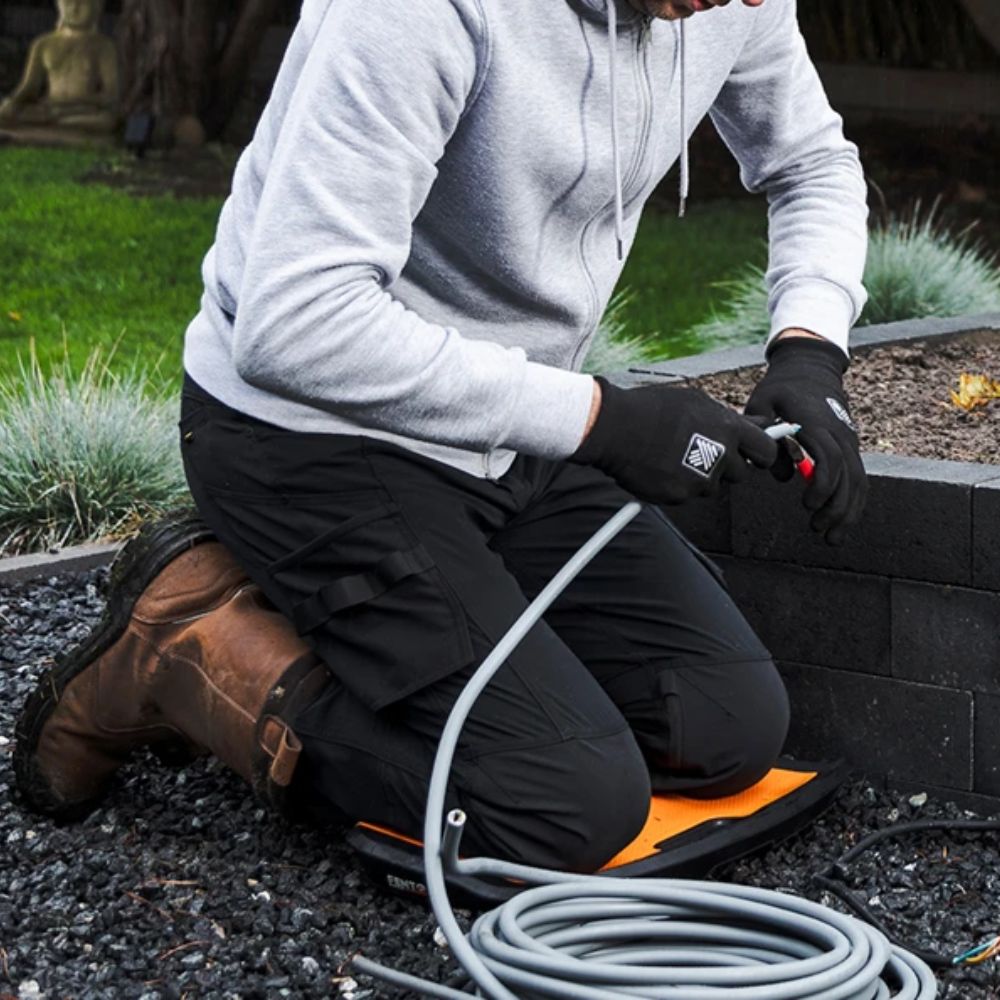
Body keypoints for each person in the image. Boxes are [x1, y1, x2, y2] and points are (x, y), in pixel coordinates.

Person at [15, 0, 868, 873]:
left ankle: (409, 631)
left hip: (505, 429)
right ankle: (188, 651)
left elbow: (812, 164)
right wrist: (602, 421)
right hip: (312, 439)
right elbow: (296, 324)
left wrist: (810, 348)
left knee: (724, 727)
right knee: (566, 808)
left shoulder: (733, 2)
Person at [0, 0, 118, 134]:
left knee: (106, 121)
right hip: (48, 107)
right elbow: (30, 86)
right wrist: (13, 101)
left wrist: (76, 104)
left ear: (97, 8)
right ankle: (54, 126)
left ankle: (48, 126)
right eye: (68, 3)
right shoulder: (43, 43)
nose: (74, 9)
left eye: (82, 4)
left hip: (83, 110)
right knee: (4, 113)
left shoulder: (104, 46)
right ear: (59, 6)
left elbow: (112, 94)